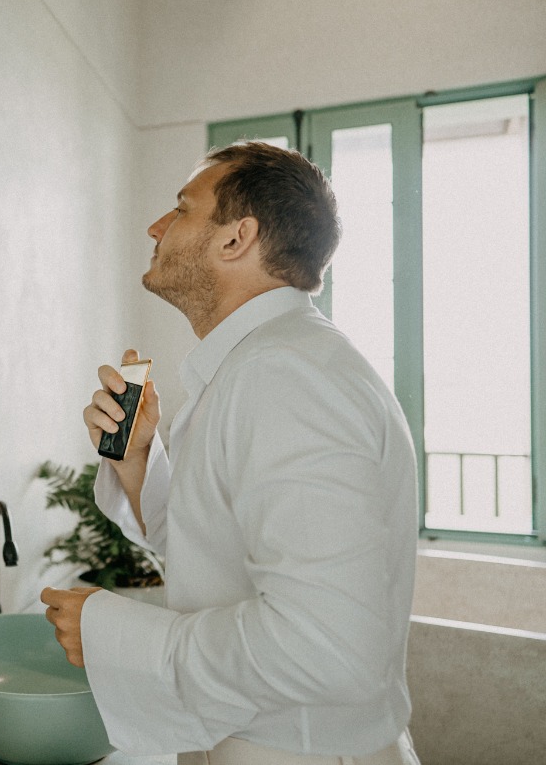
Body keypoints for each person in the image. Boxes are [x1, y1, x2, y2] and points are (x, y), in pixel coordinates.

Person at [41, 142, 421, 765]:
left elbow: (330, 647)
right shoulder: (264, 364)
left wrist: (114, 637)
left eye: (182, 209)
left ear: (236, 238)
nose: (156, 228)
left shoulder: (287, 377)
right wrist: (139, 461)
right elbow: (217, 549)